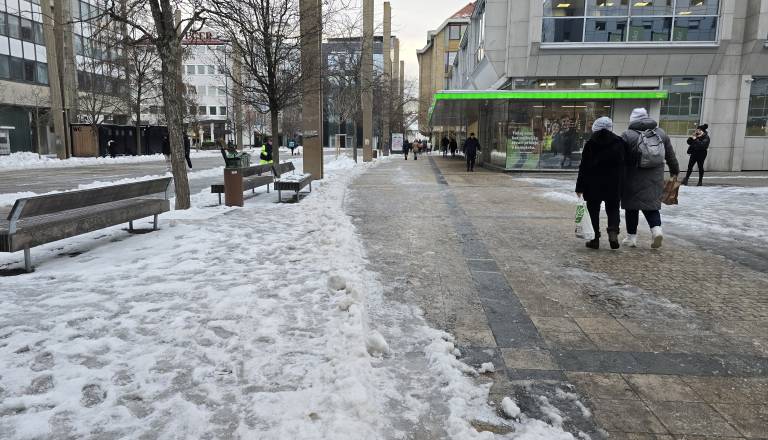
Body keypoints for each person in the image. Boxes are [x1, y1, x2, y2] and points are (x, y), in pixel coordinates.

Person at [620, 108, 679, 249]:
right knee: (652, 206)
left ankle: (631, 238)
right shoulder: (661, 133)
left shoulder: (628, 135)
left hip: (632, 176)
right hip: (655, 176)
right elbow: (670, 155)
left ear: (632, 120)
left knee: (631, 207)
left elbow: (620, 157)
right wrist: (674, 171)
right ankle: (656, 230)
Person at [575, 117, 626, 250]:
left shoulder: (590, 143)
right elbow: (625, 163)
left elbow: (584, 166)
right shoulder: (619, 142)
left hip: (593, 183)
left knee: (593, 210)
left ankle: (595, 239)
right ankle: (613, 233)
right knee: (613, 208)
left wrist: (579, 186)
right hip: (614, 183)